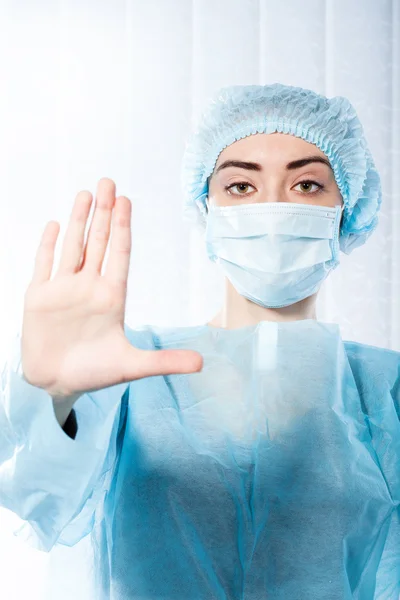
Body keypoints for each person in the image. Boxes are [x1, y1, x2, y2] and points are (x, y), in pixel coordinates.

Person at [1, 82, 399, 599]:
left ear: (348, 208)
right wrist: (59, 399)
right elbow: (42, 497)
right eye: (240, 186)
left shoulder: (387, 388)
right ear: (205, 207)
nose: (273, 206)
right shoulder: (128, 368)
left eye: (306, 185)